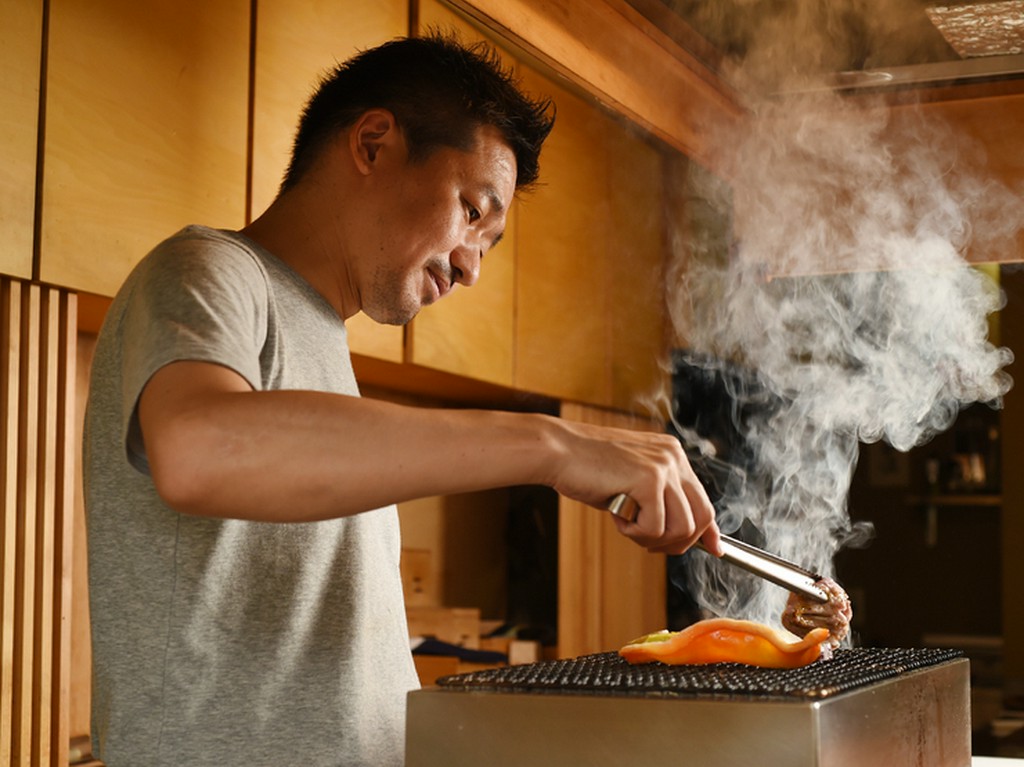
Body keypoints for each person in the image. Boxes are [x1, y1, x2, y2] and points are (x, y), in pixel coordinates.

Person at [83, 33, 721, 767]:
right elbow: (197, 447)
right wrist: (550, 444)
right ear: (373, 144)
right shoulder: (210, 268)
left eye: (490, 242)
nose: (472, 267)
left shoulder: (325, 341)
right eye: (472, 211)